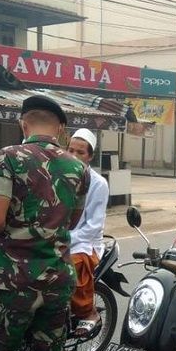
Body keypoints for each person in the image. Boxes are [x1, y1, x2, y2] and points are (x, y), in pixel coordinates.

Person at [0, 95, 89, 351]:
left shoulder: (9, 156)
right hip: (56, 280)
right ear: (61, 129)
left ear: (23, 123)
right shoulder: (79, 168)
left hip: (14, 282)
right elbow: (72, 221)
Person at [67, 128, 109, 337]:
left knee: (69, 268)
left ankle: (88, 312)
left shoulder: (98, 183)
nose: (74, 156)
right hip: (56, 239)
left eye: (80, 152)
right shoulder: (59, 176)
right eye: (71, 150)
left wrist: (65, 239)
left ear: (90, 156)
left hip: (86, 243)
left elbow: (93, 226)